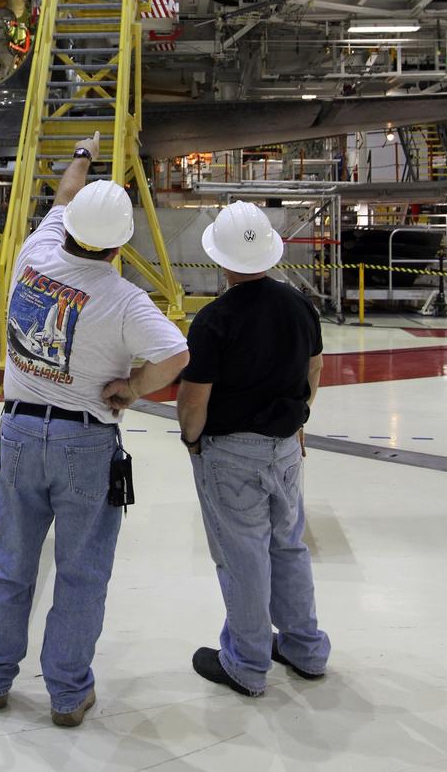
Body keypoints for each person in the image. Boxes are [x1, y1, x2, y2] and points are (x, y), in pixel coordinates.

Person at [0, 131, 189, 726]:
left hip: (17, 435)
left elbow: (66, 195)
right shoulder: (123, 300)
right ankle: (67, 694)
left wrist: (84, 156)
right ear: (120, 246)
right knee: (81, 570)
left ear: (67, 229)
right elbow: (176, 355)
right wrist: (132, 389)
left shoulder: (35, 252)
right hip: (84, 442)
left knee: (8, 560)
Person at [176, 201, 329, 698]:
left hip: (231, 454)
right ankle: (304, 648)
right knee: (288, 546)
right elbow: (314, 369)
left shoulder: (214, 320)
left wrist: (192, 439)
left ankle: (246, 661)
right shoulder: (299, 305)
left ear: (221, 260)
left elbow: (194, 399)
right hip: (285, 447)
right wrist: (299, 418)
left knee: (242, 556)